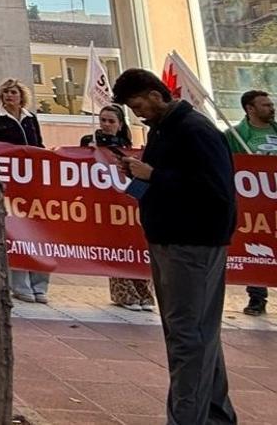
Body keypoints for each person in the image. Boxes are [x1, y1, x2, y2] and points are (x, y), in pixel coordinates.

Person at [113, 68, 237, 425]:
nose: (139, 114)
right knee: (194, 334)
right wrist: (140, 172)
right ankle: (214, 416)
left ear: (156, 93)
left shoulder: (196, 130)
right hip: (169, 240)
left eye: (139, 105)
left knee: (188, 337)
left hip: (192, 245)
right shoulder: (163, 131)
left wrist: (154, 176)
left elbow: (216, 191)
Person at [80, 104, 156, 312]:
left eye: (111, 121)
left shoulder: (128, 146)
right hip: (103, 203)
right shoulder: (89, 143)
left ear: (120, 124)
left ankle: (144, 293)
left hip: (126, 204)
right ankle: (124, 293)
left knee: (135, 246)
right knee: (115, 246)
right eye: (103, 120)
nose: (106, 125)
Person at [0, 77, 49, 304]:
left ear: (21, 96)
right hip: (9, 184)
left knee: (38, 233)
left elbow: (39, 146)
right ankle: (20, 285)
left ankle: (39, 285)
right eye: (5, 93)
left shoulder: (31, 119)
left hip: (32, 184)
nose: (9, 96)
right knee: (15, 233)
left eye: (13, 92)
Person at [228, 90, 276, 316]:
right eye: (265, 105)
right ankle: (257, 297)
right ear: (250, 108)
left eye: (271, 104)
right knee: (257, 248)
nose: (271, 108)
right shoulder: (236, 135)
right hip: (255, 203)